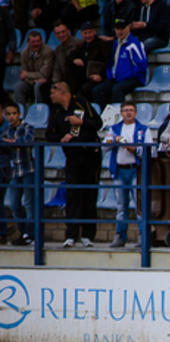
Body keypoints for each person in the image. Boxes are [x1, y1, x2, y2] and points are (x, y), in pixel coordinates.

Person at [47, 81, 101, 248]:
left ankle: (87, 235)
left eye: (53, 92)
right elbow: (50, 135)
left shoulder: (82, 103)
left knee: (89, 194)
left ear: (63, 92)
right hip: (72, 158)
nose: (50, 96)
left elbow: (98, 124)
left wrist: (81, 123)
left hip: (91, 156)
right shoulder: (55, 111)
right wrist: (61, 139)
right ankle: (71, 235)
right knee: (72, 195)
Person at [104, 101, 151, 249]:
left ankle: (143, 236)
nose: (128, 113)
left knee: (139, 205)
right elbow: (105, 146)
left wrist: (135, 150)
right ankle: (120, 236)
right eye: (125, 110)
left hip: (136, 170)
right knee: (121, 206)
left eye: (131, 110)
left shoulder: (144, 129)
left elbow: (150, 151)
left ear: (136, 113)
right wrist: (114, 140)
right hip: (119, 170)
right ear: (121, 113)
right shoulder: (115, 129)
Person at [90, 18, 145, 107]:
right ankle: (105, 115)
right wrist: (110, 74)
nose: (120, 31)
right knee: (97, 90)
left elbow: (142, 65)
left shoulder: (134, 44)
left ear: (128, 28)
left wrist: (128, 75)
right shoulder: (115, 43)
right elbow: (111, 62)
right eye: (117, 29)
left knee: (117, 89)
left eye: (122, 28)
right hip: (117, 79)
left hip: (134, 79)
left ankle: (119, 115)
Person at [2, 103, 35, 246]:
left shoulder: (27, 127)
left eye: (14, 114)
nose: (11, 117)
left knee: (29, 204)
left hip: (28, 169)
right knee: (15, 205)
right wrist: (11, 142)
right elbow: (3, 142)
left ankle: (31, 234)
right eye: (8, 114)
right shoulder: (7, 130)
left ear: (19, 114)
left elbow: (27, 140)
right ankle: (24, 232)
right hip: (15, 171)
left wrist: (13, 142)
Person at [15, 29, 51, 106]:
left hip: (47, 82)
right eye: (33, 42)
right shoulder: (24, 52)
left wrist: (28, 75)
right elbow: (23, 75)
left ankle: (38, 109)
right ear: (28, 42)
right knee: (19, 86)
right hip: (31, 82)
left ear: (42, 41)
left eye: (38, 41)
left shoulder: (48, 51)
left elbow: (45, 74)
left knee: (38, 85)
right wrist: (32, 80)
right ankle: (18, 111)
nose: (36, 44)